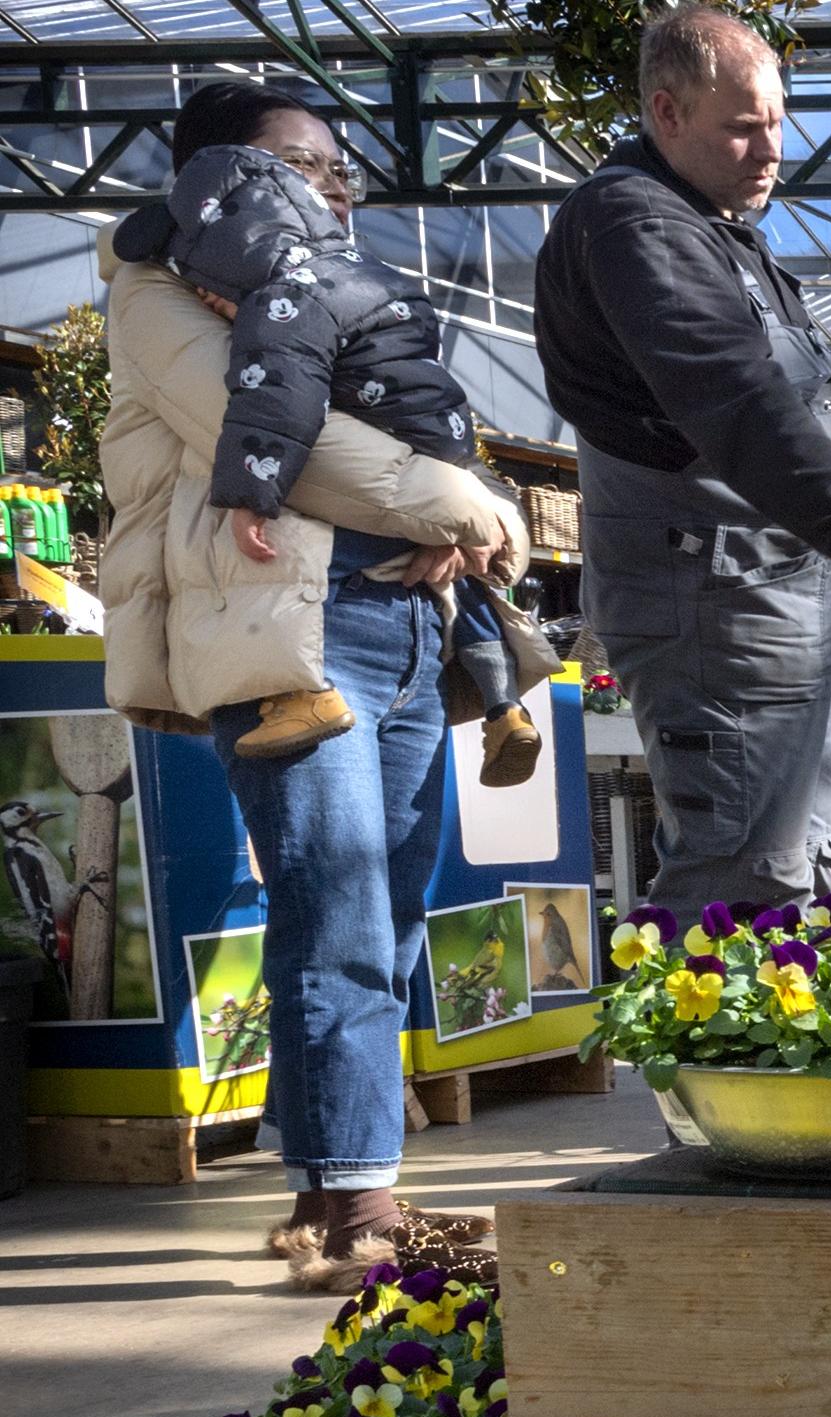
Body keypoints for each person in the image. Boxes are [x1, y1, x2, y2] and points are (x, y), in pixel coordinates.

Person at [94, 81, 532, 1288]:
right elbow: (280, 443)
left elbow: (433, 439)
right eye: (302, 162)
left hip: (404, 628)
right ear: (217, 178)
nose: (333, 185)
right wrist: (467, 506)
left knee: (376, 920)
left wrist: (481, 523)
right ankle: (366, 1210)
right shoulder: (153, 293)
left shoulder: (339, 292)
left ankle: (323, 1186)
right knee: (334, 907)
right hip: (287, 639)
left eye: (338, 166)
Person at [536, 3, 831, 914]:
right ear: (666, 112)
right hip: (715, 600)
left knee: (797, 862)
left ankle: (780, 1054)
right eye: (740, 127)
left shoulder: (711, 224)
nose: (771, 148)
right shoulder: (636, 228)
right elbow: (733, 392)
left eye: (775, 120)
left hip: (765, 594)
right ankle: (703, 1061)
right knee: (741, 871)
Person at [142, 137, 546, 774]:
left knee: (309, 555)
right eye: (308, 167)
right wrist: (454, 509)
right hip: (439, 434)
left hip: (358, 577)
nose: (203, 301)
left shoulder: (281, 301)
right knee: (458, 586)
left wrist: (251, 494)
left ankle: (307, 693)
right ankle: (505, 708)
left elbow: (277, 400)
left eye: (206, 288)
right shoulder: (369, 277)